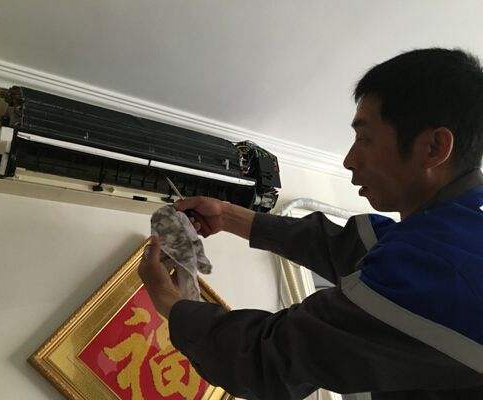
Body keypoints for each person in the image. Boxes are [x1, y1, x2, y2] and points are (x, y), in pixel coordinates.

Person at [138, 48, 483, 399]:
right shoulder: (455, 236)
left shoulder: (446, 273)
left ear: (434, 147)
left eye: (365, 138)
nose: (349, 160)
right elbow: (347, 247)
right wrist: (228, 216)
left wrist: (168, 298)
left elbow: (268, 359)